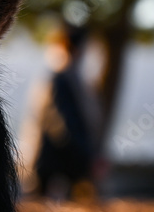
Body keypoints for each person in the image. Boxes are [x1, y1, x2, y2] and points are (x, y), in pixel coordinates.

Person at [31, 25, 104, 199]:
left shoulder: (66, 78)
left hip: (58, 163)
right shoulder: (62, 79)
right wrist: (88, 158)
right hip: (56, 165)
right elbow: (65, 126)